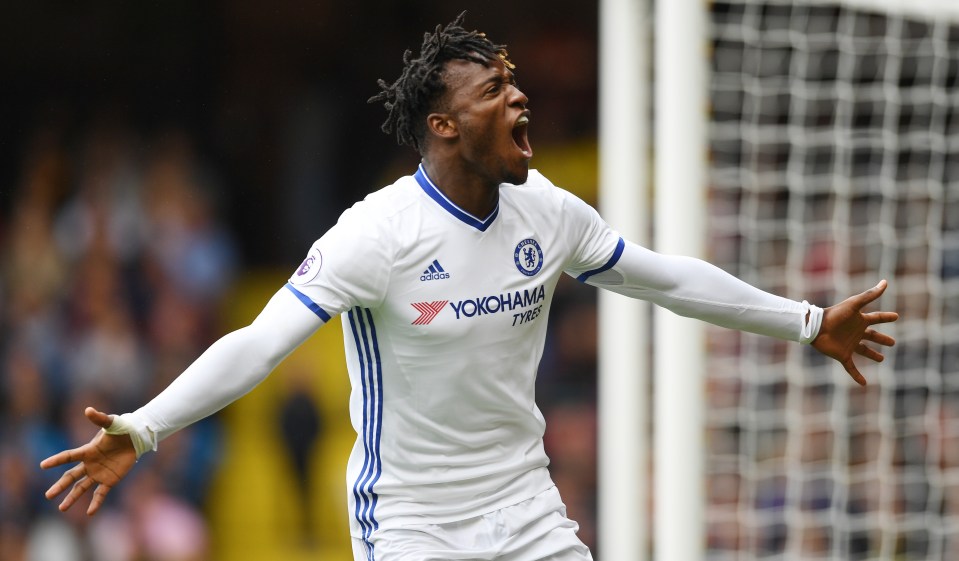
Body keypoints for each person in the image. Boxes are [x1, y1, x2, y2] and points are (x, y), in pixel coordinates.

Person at [41, 12, 899, 561]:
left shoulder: (546, 210)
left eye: (513, 79)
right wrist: (144, 427)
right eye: (496, 88)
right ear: (445, 126)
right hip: (411, 519)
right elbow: (258, 344)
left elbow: (661, 276)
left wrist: (806, 319)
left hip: (523, 502)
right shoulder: (376, 233)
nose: (520, 94)